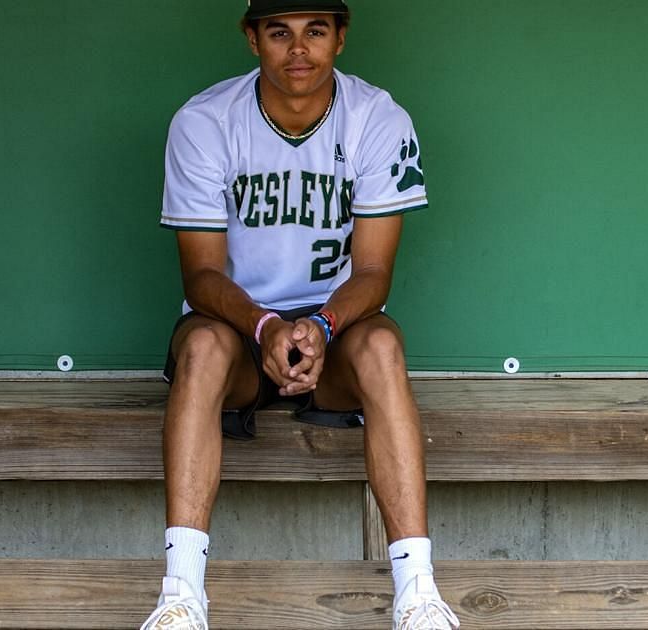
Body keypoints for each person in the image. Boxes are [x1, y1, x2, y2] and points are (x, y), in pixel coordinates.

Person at [142, 1, 458, 628]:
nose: (298, 50)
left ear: (341, 38)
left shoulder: (377, 118)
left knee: (384, 348)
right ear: (251, 38)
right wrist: (263, 327)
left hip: (334, 336)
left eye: (315, 30)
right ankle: (180, 595)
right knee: (201, 348)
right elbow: (201, 275)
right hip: (236, 337)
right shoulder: (206, 120)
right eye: (279, 32)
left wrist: (318, 327)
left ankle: (418, 593)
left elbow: (372, 274)